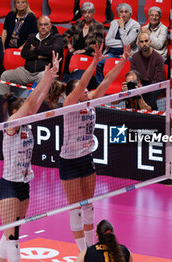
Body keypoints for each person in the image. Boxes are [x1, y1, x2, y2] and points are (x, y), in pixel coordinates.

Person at [57, 44, 131, 251]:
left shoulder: (90, 101)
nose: (87, 91)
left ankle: (90, 249)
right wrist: (94, 62)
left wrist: (123, 61)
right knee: (76, 210)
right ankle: (82, 252)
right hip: (69, 161)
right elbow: (81, 84)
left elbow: (107, 81)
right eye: (83, 89)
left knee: (88, 206)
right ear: (73, 93)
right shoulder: (69, 106)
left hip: (86, 158)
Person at [0, 52, 61, 262]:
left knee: (11, 232)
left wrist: (49, 77)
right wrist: (46, 78)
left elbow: (35, 105)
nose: (30, 112)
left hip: (24, 184)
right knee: (13, 237)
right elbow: (32, 104)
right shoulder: (12, 125)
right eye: (24, 109)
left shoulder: (26, 125)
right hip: (8, 185)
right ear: (16, 111)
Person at [0, 16, 64, 97]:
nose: (43, 27)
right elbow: (24, 53)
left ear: (50, 26)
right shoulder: (31, 37)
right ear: (37, 26)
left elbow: (54, 51)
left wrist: (34, 49)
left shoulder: (57, 38)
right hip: (27, 71)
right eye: (40, 25)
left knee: (45, 78)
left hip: (44, 72)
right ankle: (3, 102)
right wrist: (40, 56)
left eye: (46, 25)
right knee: (5, 75)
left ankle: (38, 107)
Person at [95, 3, 140, 84]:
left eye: (126, 12)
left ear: (130, 14)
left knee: (128, 65)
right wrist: (123, 43)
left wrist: (122, 27)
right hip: (112, 52)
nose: (123, 14)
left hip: (127, 54)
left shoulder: (135, 25)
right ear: (118, 14)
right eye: (121, 12)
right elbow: (108, 42)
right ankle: (100, 86)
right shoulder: (114, 23)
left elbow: (127, 42)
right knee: (99, 63)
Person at [62, 2, 105, 80]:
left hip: (89, 52)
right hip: (75, 51)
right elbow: (65, 35)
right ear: (82, 13)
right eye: (85, 12)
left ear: (93, 13)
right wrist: (69, 46)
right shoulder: (78, 23)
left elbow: (99, 43)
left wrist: (84, 50)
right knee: (68, 58)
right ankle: (65, 81)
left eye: (90, 12)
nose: (87, 15)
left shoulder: (99, 25)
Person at [130, 32, 164, 110]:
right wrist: (138, 86)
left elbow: (158, 80)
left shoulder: (158, 58)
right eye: (141, 42)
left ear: (150, 42)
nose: (144, 44)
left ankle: (152, 114)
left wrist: (144, 88)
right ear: (138, 43)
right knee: (130, 90)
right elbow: (133, 75)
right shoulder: (135, 57)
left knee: (149, 93)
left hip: (156, 85)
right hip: (141, 84)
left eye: (146, 41)